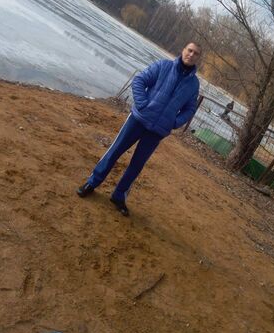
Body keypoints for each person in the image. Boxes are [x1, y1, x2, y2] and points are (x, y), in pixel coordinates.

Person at [76, 42, 202, 216]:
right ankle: (92, 183)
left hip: (158, 130)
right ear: (183, 50)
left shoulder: (193, 84)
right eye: (190, 50)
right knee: (115, 151)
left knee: (137, 165)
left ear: (198, 58)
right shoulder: (163, 66)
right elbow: (139, 80)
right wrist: (142, 105)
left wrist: (174, 122)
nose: (191, 55)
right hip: (138, 120)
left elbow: (190, 108)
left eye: (196, 53)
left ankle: (119, 196)